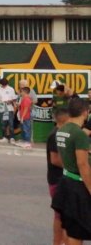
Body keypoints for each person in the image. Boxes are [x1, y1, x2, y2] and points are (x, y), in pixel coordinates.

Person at [51, 98, 91, 244]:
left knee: (71, 228)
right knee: (77, 230)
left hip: (66, 182)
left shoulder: (62, 130)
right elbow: (83, 165)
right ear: (85, 112)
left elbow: (63, 157)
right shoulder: (79, 134)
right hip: (78, 186)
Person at [47, 108, 69, 245]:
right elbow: (55, 159)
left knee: (61, 216)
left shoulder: (61, 133)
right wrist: (75, 165)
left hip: (59, 180)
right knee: (63, 216)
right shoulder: (56, 135)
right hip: (57, 180)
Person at [0, 79, 18, 144]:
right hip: (1, 108)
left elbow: (14, 98)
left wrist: (9, 101)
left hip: (9, 108)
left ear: (7, 84)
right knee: (3, 123)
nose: (4, 86)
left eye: (5, 85)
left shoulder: (11, 89)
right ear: (0, 84)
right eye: (3, 85)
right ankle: (5, 137)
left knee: (10, 123)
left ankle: (12, 138)